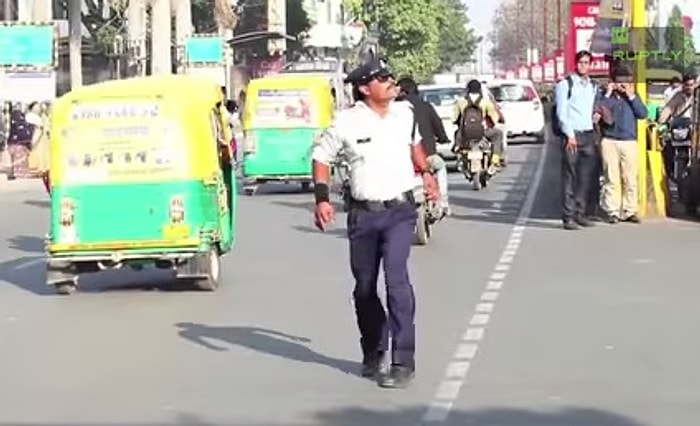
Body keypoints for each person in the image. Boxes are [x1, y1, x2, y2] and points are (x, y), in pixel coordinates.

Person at [311, 58, 438, 389]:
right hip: (363, 215)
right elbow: (321, 158)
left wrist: (426, 173)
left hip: (400, 212)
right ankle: (374, 349)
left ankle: (403, 360)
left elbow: (415, 147)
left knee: (397, 282)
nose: (391, 81)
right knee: (365, 288)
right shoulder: (346, 122)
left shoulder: (405, 114)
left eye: (390, 76)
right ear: (365, 88)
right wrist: (322, 199)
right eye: (382, 78)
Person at [554, 50, 599, 230]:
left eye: (587, 62)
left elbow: (591, 108)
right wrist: (569, 134)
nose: (584, 66)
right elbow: (561, 112)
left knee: (585, 177)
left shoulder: (592, 86)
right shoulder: (566, 84)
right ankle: (568, 216)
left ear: (590, 65)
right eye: (581, 62)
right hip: (572, 135)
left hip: (588, 134)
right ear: (576, 63)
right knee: (570, 176)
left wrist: (596, 116)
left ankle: (581, 213)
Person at [596, 68, 647, 224]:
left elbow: (642, 113)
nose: (622, 84)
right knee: (611, 177)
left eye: (625, 81)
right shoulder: (605, 96)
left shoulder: (633, 97)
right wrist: (607, 94)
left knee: (630, 177)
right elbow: (599, 111)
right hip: (609, 140)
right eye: (619, 81)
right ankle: (612, 211)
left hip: (629, 141)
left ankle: (629, 210)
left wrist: (631, 96)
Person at [396, 77, 452, 216]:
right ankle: (443, 201)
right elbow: (438, 126)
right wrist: (443, 138)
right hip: (427, 156)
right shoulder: (426, 106)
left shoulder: (393, 109)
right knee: (440, 167)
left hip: (402, 157)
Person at [451, 79, 504, 175]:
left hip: (465, 133)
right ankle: (495, 160)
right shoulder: (485, 102)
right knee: (498, 134)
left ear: (468, 89)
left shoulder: (460, 102)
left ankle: (459, 156)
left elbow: (453, 119)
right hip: (482, 131)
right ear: (480, 89)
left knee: (457, 138)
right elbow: (494, 118)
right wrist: (491, 124)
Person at [6, 104, 35, 180]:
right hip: (18, 142)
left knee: (16, 158)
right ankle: (19, 172)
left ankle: (15, 172)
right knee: (19, 158)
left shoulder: (14, 116)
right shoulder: (18, 116)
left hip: (13, 141)